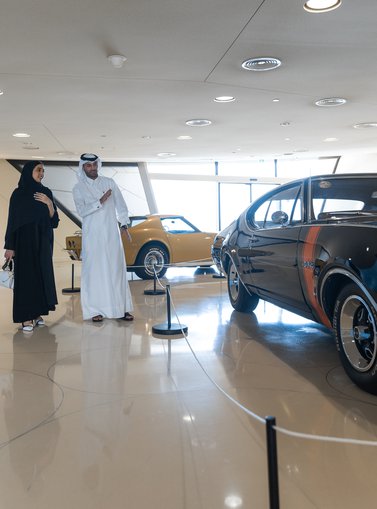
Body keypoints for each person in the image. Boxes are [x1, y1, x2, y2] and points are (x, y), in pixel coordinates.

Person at [72, 153, 134, 322]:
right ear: (83, 167)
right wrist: (100, 201)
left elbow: (121, 206)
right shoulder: (78, 188)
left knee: (116, 270)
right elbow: (82, 211)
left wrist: (123, 225)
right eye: (88, 165)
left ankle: (122, 308)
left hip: (111, 234)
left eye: (94, 164)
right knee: (95, 273)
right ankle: (94, 311)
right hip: (92, 237)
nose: (92, 168)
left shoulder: (109, 183)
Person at [4, 161, 59, 332]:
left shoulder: (46, 192)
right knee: (26, 278)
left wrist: (49, 204)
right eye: (38, 170)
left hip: (43, 243)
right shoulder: (18, 194)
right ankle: (26, 317)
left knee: (41, 276)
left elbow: (54, 221)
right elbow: (12, 221)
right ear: (29, 172)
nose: (41, 174)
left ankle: (37, 313)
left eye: (43, 171)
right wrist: (10, 246)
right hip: (24, 243)